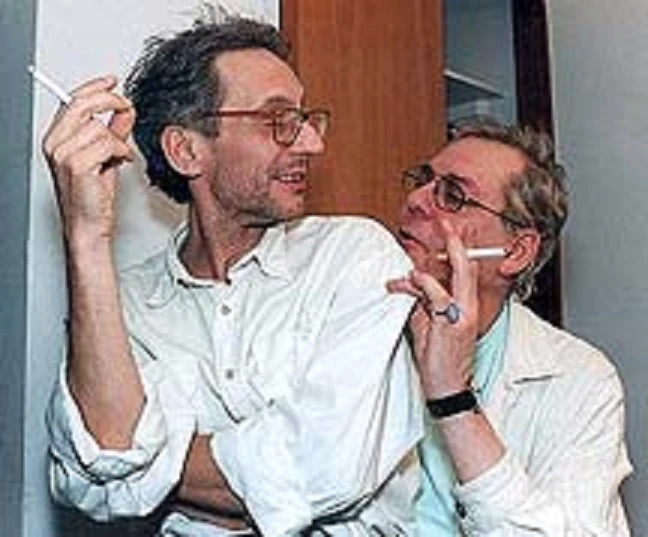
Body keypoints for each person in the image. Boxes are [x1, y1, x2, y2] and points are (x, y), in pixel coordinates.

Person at [43, 17, 424, 536]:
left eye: (304, 118)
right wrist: (87, 236)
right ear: (186, 150)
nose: (312, 143)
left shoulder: (354, 257)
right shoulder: (125, 305)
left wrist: (141, 469)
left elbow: (322, 469)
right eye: (278, 120)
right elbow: (89, 477)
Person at [388, 120, 632, 535]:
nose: (415, 200)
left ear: (516, 252)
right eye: (423, 180)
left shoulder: (582, 381)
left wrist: (453, 399)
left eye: (453, 195)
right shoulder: (354, 323)